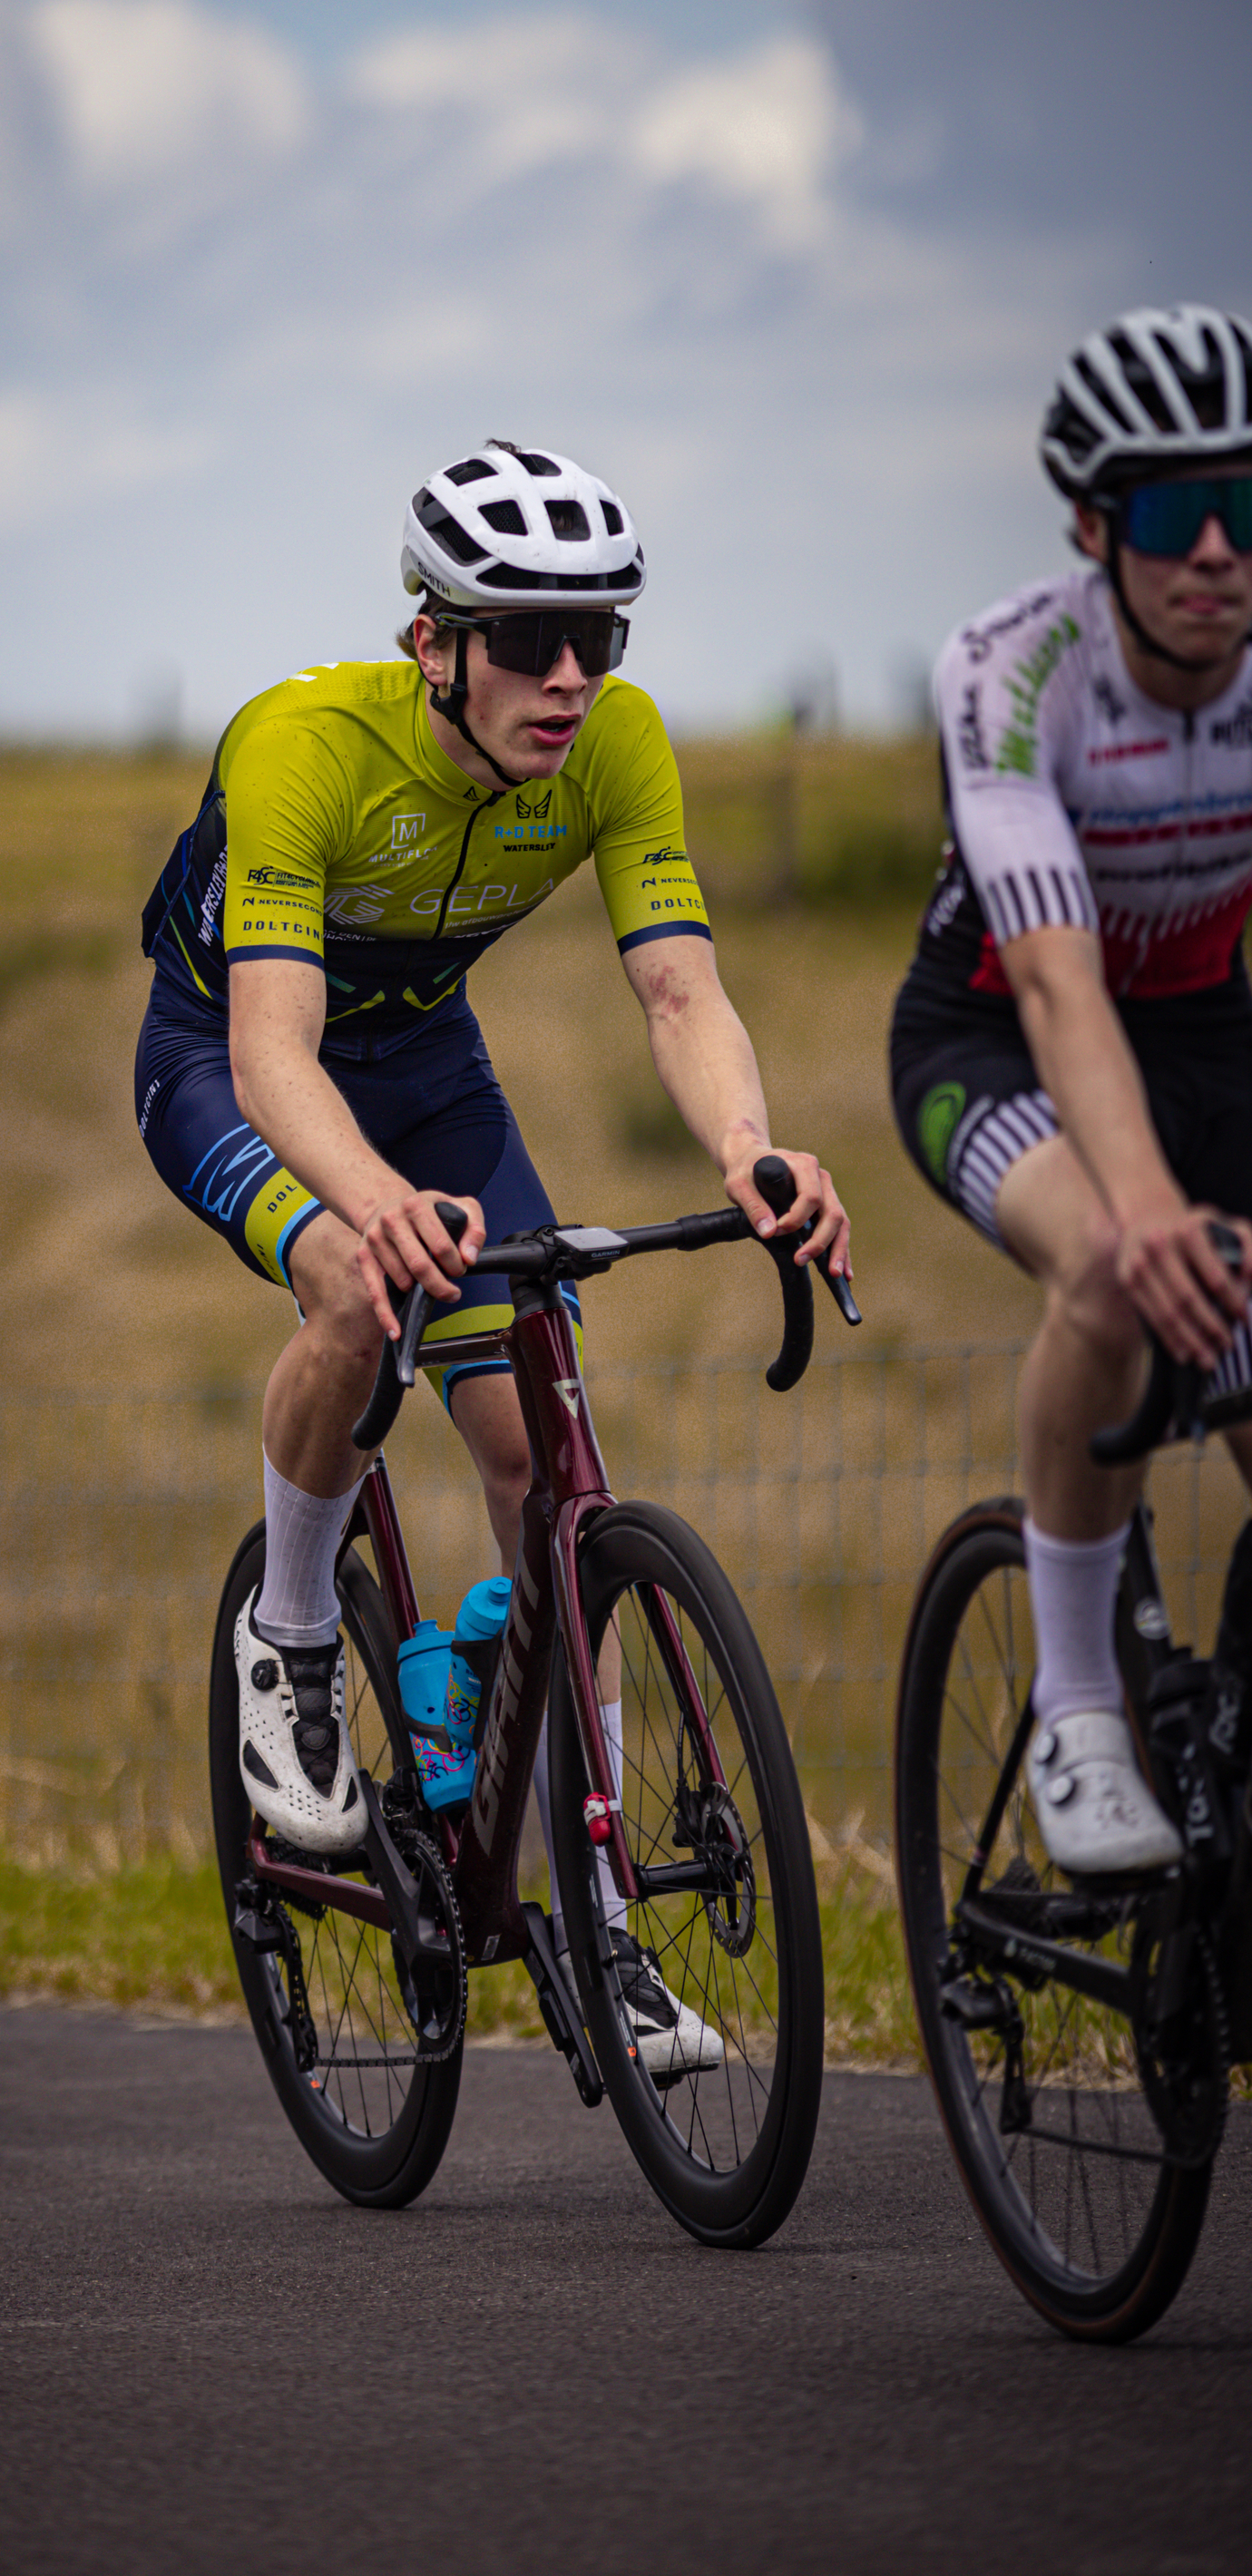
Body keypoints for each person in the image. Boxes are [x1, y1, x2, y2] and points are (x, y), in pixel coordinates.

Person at [138, 440, 851, 2068]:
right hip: (229, 1063)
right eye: (528, 639)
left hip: (430, 1072)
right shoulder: (301, 746)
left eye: (600, 636)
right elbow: (268, 1055)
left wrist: (751, 1152)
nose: (570, 676)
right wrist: (367, 1206)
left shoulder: (617, 743)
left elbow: (680, 991)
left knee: (538, 1454)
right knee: (346, 1278)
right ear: (431, 641)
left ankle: (595, 1921)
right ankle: (297, 1640)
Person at [890, 301, 1252, 1876]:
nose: (1220, 553)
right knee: (1113, 1269)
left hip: (1211, 1029)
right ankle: (1081, 1707)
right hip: (993, 1039)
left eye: (1251, 504)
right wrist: (1155, 1203)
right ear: (1097, 529)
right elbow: (1053, 978)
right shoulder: (1012, 670)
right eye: (1176, 515)